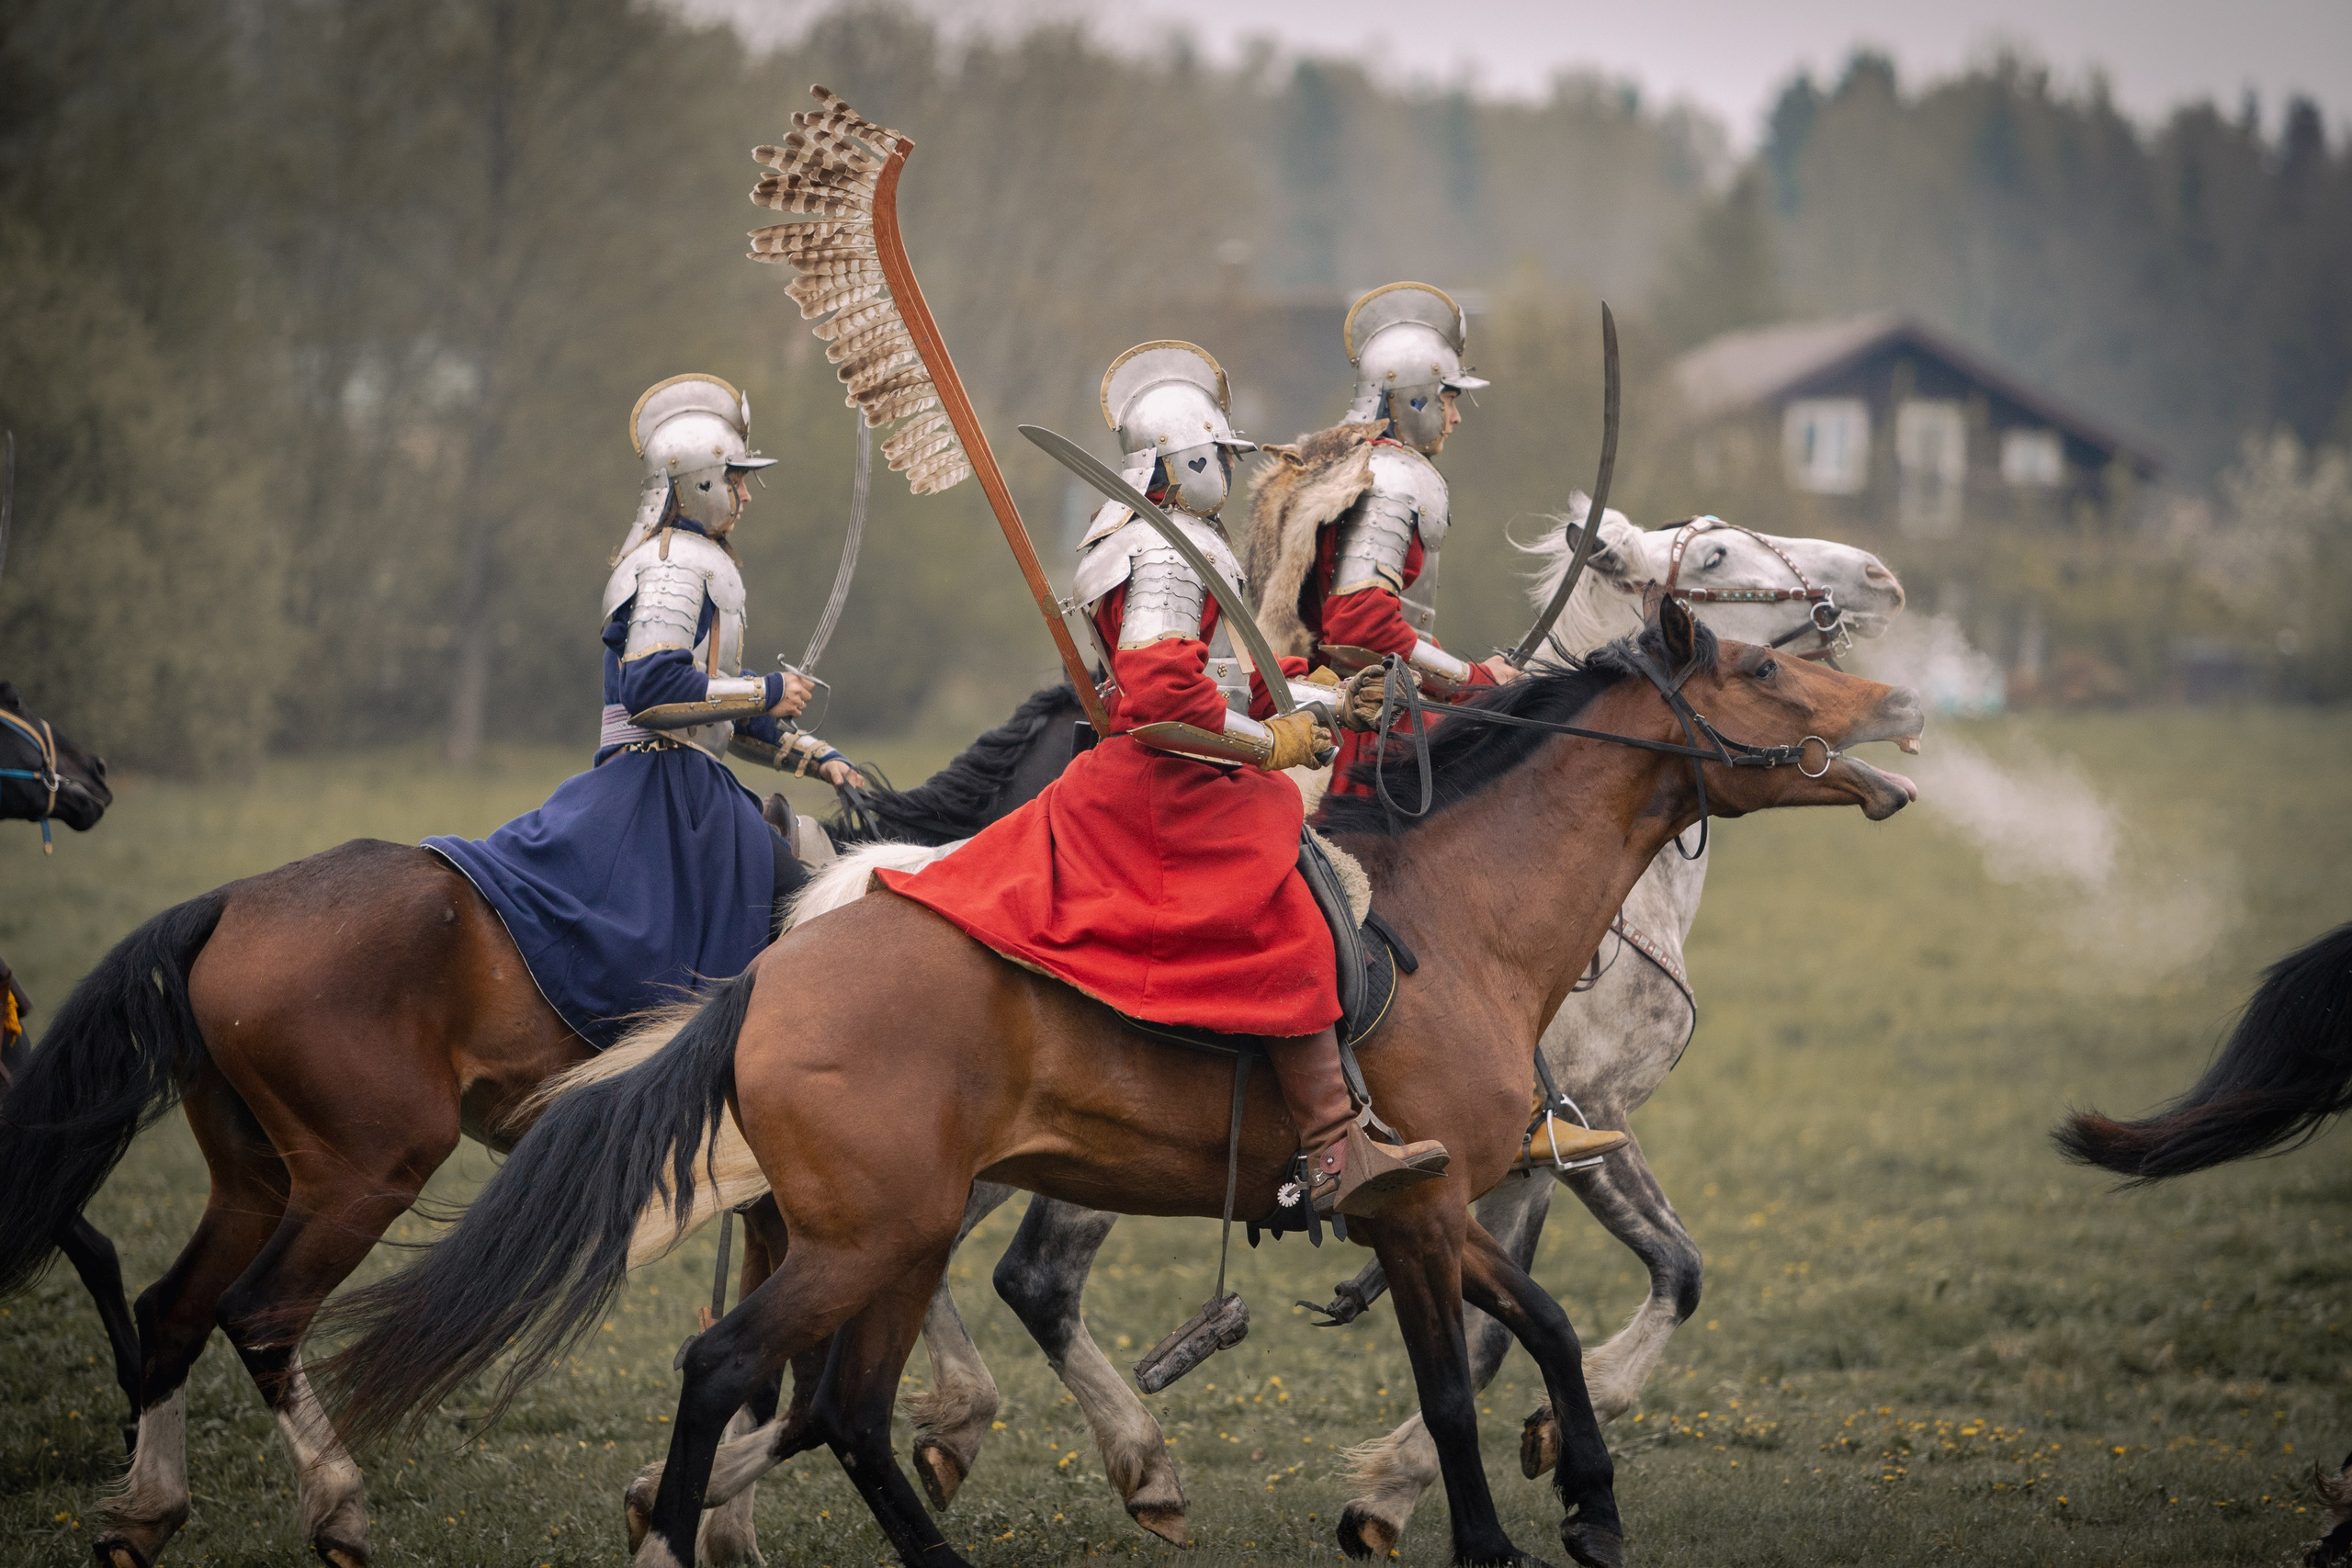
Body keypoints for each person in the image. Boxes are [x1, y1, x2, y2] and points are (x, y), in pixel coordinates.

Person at [876, 343, 1447, 1217]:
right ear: (1183, 461)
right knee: (1290, 914)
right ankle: (1334, 1144)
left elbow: (1209, 672)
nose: (1228, 469)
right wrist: (1276, 739)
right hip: (1166, 781)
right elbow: (1159, 695)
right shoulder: (1168, 552)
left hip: (1166, 764)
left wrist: (1309, 691)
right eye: (1218, 455)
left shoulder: (1151, 538)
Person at [426, 374, 859, 1051]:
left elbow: (712, 706)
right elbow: (655, 693)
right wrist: (767, 691)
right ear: (694, 483)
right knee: (818, 909)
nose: (745, 495)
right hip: (665, 791)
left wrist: (811, 753)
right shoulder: (671, 565)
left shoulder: (695, 561)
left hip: (690, 779)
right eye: (735, 480)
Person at [1246, 282, 1522, 795]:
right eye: (1448, 399)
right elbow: (1360, 628)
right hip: (1364, 727)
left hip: (1362, 700)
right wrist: (1473, 679)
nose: (1456, 417)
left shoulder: (1343, 462)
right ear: (1412, 399)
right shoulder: (1388, 479)